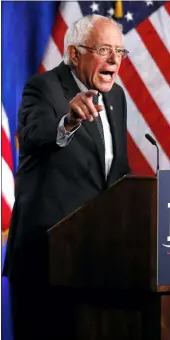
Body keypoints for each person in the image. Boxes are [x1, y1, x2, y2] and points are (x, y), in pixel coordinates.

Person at [3, 14, 131, 339]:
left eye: (120, 51)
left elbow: (116, 172)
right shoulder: (42, 87)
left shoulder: (116, 97)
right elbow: (33, 136)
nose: (115, 60)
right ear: (75, 54)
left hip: (96, 260)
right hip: (45, 260)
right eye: (105, 49)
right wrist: (68, 122)